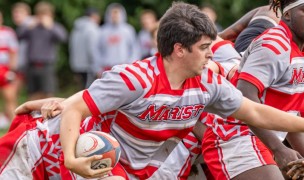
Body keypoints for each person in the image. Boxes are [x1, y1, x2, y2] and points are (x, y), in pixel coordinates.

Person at [58, 2, 304, 179]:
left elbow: (256, 112)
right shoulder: (135, 79)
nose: (211, 52)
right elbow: (74, 107)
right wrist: (71, 158)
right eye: (205, 46)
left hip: (149, 164)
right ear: (179, 49)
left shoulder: (209, 81)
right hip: (99, 159)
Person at [17, 1, 67, 100]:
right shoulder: (31, 27)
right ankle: (33, 115)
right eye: (40, 14)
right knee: (32, 94)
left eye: (45, 14)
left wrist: (51, 27)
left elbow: (63, 38)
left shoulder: (54, 27)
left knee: (48, 94)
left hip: (46, 65)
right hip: (31, 65)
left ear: (51, 15)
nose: (42, 17)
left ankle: (49, 115)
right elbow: (19, 36)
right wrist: (28, 26)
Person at [92, 3, 139, 78]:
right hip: (107, 69)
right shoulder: (102, 31)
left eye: (116, 13)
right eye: (112, 13)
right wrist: (97, 68)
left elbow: (135, 49)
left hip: (124, 68)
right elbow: (96, 50)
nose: (114, 16)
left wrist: (132, 65)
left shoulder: (128, 30)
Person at [69, 7, 101, 89]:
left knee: (81, 91)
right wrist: (97, 68)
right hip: (89, 67)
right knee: (89, 93)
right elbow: (93, 49)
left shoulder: (76, 28)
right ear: (94, 16)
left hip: (77, 66)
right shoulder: (92, 28)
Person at [0, 10, 19, 125]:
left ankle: (14, 125)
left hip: (5, 69)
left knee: (10, 97)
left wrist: (12, 70)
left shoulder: (8, 32)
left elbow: (13, 52)